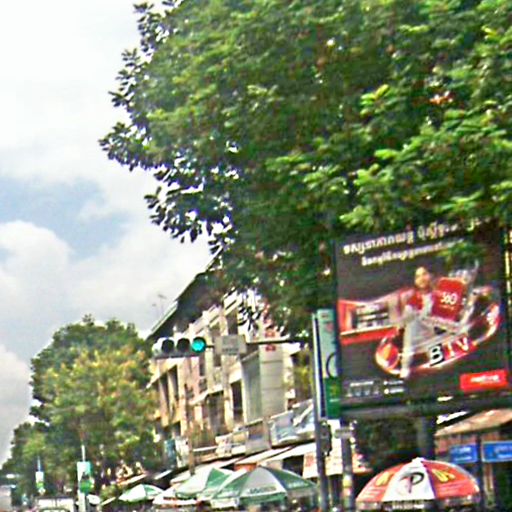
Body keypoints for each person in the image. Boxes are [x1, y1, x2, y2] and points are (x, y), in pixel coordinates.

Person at [400, 266, 435, 379]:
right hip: (414, 336)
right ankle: (406, 368)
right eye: (418, 276)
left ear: (430, 275)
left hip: (433, 334)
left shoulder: (438, 295)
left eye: (424, 274)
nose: (421, 279)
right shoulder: (411, 299)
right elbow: (406, 320)